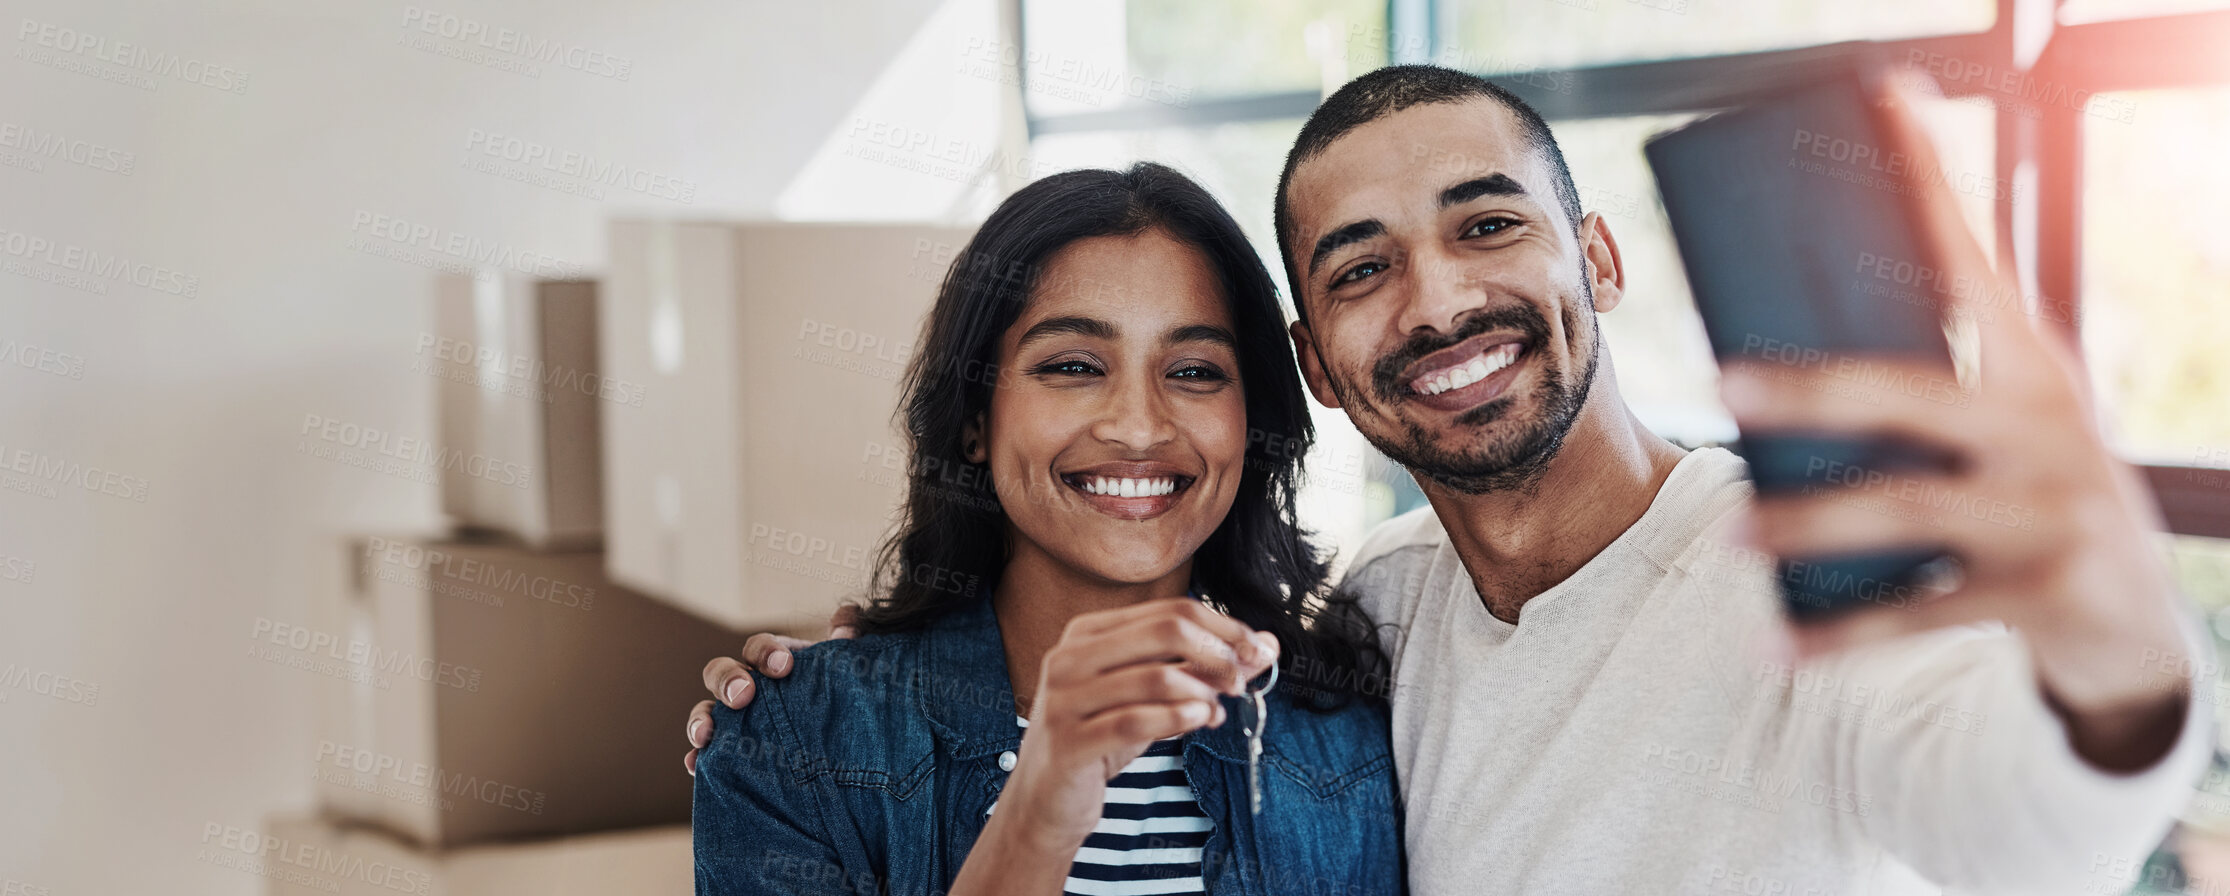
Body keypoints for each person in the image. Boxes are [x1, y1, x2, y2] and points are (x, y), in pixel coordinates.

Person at [693, 66, 2210, 894]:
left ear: (1595, 259)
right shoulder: (1374, 629)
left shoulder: (1806, 556)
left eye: (1488, 226)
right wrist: (859, 686)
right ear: (1324, 360)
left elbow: (2007, 826)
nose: (1433, 306)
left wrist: (2108, 649)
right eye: (1364, 268)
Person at [690, 162, 1403, 896]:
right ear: (975, 422)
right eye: (1072, 365)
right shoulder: (793, 744)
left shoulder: (1351, 743)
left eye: (1193, 371)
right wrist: (1041, 808)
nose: (1137, 426)